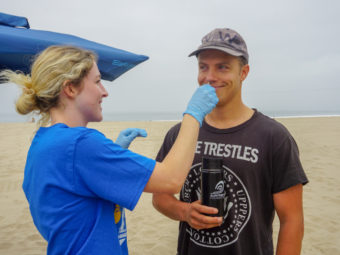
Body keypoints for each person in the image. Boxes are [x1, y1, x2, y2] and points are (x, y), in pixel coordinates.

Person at [0, 45, 218, 255]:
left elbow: (69, 203)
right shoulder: (81, 144)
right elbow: (171, 179)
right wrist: (194, 113)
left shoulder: (42, 143)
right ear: (70, 88)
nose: (104, 92)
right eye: (97, 82)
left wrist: (111, 158)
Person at [152, 28, 308, 255]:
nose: (210, 77)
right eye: (203, 67)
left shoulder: (274, 137)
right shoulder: (181, 133)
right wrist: (184, 211)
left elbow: (292, 220)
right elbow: (159, 196)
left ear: (243, 72)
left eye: (222, 67)